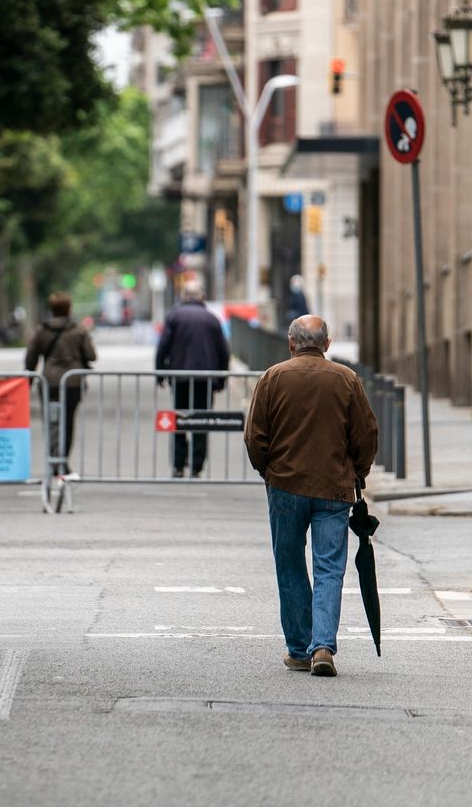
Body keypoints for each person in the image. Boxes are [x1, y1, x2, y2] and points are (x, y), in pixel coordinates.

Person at [244, 315, 377, 678]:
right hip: (333, 488)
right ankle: (322, 645)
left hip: (285, 486)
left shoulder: (272, 378)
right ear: (327, 344)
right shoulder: (346, 379)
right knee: (329, 568)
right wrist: (358, 472)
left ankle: (299, 648)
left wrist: (268, 472)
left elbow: (255, 435)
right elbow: (365, 434)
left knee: (289, 565)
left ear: (291, 343)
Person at [155, 279, 230, 477]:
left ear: (183, 296)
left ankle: (178, 465)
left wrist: (160, 373)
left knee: (179, 419)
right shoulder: (211, 318)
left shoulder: (174, 316)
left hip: (180, 377)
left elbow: (163, 346)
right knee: (201, 420)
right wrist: (222, 378)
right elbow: (223, 351)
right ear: (202, 297)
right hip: (205, 379)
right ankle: (196, 465)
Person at [25, 292, 97, 473]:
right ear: (69, 308)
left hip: (48, 383)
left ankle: (52, 460)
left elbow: (31, 359)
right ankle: (63, 461)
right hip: (73, 383)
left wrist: (29, 380)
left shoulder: (42, 330)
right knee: (67, 421)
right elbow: (91, 355)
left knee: (51, 422)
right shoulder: (78, 330)